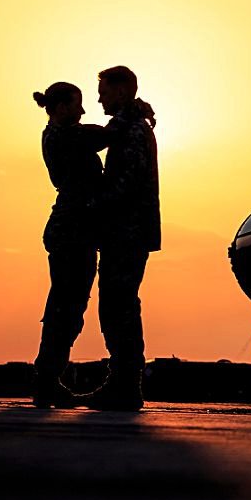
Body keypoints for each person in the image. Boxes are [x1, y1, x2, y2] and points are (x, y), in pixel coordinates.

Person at [82, 65, 160, 411]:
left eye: (104, 91)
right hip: (125, 231)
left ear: (122, 91)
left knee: (119, 306)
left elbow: (125, 185)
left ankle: (126, 385)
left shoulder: (131, 130)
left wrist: (90, 206)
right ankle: (124, 382)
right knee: (118, 304)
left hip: (126, 232)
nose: (99, 98)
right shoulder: (129, 125)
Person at [30, 82, 110, 408]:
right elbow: (103, 135)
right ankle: (47, 379)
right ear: (61, 107)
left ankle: (48, 378)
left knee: (68, 307)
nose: (82, 110)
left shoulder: (61, 134)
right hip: (71, 232)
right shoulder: (64, 135)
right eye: (77, 105)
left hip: (76, 231)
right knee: (66, 308)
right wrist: (131, 114)